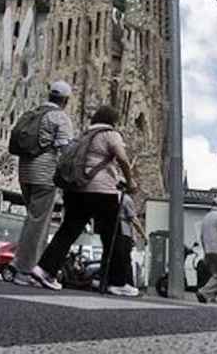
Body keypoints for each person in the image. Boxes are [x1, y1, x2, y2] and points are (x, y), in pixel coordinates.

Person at [31, 106, 138, 296]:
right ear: (113, 120)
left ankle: (43, 270)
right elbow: (122, 158)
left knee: (67, 231)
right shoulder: (110, 134)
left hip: (76, 189)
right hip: (102, 192)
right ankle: (117, 282)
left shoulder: (83, 135)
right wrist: (130, 182)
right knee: (113, 237)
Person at [10, 81, 75, 286]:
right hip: (45, 175)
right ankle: (23, 270)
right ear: (65, 100)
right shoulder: (60, 118)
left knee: (34, 220)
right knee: (37, 223)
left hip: (25, 173)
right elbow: (65, 150)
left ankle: (27, 265)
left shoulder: (34, 112)